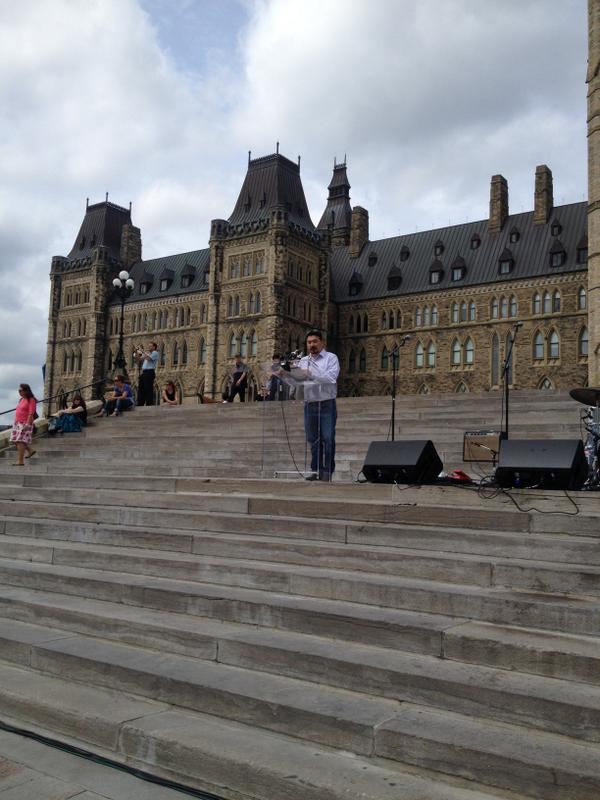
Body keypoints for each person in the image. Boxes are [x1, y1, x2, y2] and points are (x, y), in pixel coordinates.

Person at [295, 330, 340, 482]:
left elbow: (331, 377)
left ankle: (327, 471)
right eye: (309, 342)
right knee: (313, 439)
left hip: (327, 404)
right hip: (310, 404)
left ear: (322, 342)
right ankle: (315, 470)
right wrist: (287, 376)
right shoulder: (303, 361)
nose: (312, 345)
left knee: (328, 438)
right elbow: (300, 382)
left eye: (315, 341)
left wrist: (311, 373)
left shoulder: (331, 358)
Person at [10, 383, 37, 466]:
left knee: (20, 441)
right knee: (15, 440)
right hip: (17, 423)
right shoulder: (21, 399)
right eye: (18, 390)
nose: (19, 392)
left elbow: (31, 413)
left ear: (26, 391)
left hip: (25, 423)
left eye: (20, 390)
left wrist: (27, 424)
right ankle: (30, 450)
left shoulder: (31, 400)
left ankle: (20, 461)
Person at [135, 341, 159, 405]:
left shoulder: (155, 353)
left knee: (148, 388)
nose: (149, 347)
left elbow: (148, 358)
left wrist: (142, 351)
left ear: (154, 347)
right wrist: (136, 352)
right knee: (141, 388)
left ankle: (149, 403)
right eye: (149, 346)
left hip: (149, 372)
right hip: (144, 372)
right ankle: (140, 403)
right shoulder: (147, 353)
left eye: (150, 346)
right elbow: (139, 360)